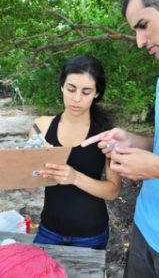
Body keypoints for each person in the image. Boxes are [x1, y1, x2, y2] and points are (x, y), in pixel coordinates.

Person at [81, 0, 159, 277]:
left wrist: (157, 168)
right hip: (146, 230)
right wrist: (133, 141)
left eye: (143, 25)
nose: (139, 41)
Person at [29, 55, 120, 250]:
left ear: (96, 93)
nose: (76, 99)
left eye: (86, 91)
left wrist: (75, 177)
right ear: (62, 86)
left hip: (91, 234)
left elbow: (113, 190)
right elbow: (30, 183)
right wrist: (28, 170)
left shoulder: (106, 134)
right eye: (71, 89)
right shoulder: (41, 127)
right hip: (48, 229)